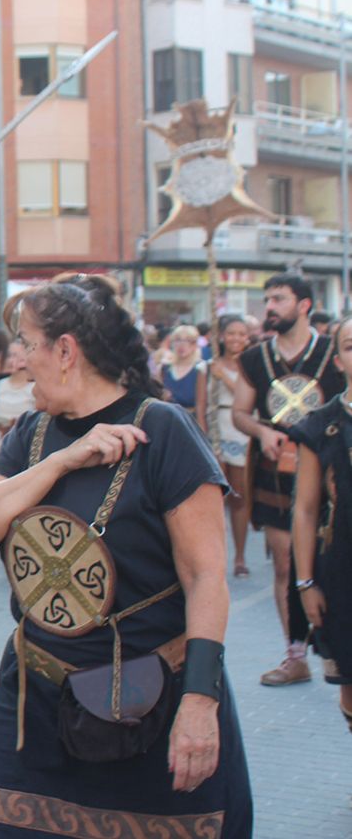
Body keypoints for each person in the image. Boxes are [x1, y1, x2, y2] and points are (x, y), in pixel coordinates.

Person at [0, 274, 250, 838]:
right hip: (36, 703)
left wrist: (200, 703)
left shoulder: (162, 429)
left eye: (28, 343)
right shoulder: (30, 434)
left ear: (65, 350)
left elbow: (207, 576)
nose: (20, 356)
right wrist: (63, 462)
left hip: (152, 701)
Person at [231, 273, 344, 686]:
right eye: (267, 299)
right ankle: (294, 654)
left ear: (304, 304)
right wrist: (262, 432)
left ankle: (336, 648)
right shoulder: (255, 359)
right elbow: (240, 413)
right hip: (275, 473)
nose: (270, 306)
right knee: (284, 562)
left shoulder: (336, 352)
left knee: (333, 559)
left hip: (333, 470)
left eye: (278, 298)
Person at [288, 314, 352, 737]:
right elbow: (306, 510)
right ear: (340, 359)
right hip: (343, 571)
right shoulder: (322, 425)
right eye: (350, 346)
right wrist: (306, 583)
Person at [202, 316, 252, 578]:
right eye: (231, 333)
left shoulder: (252, 366)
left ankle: (241, 556)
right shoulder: (209, 366)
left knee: (240, 497)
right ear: (221, 336)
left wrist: (227, 378)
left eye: (242, 334)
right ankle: (215, 555)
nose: (236, 338)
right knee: (214, 499)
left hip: (241, 431)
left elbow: (247, 399)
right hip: (217, 431)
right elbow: (201, 408)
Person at [0, 344, 35, 470]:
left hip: (26, 450)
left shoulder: (35, 388)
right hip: (0, 448)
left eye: (15, 355)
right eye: (8, 355)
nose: (10, 360)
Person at [160, 325, 205, 420]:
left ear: (195, 345)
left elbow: (201, 406)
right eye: (178, 340)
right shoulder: (165, 368)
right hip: (167, 419)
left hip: (191, 420)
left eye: (188, 341)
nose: (182, 345)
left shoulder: (200, 369)